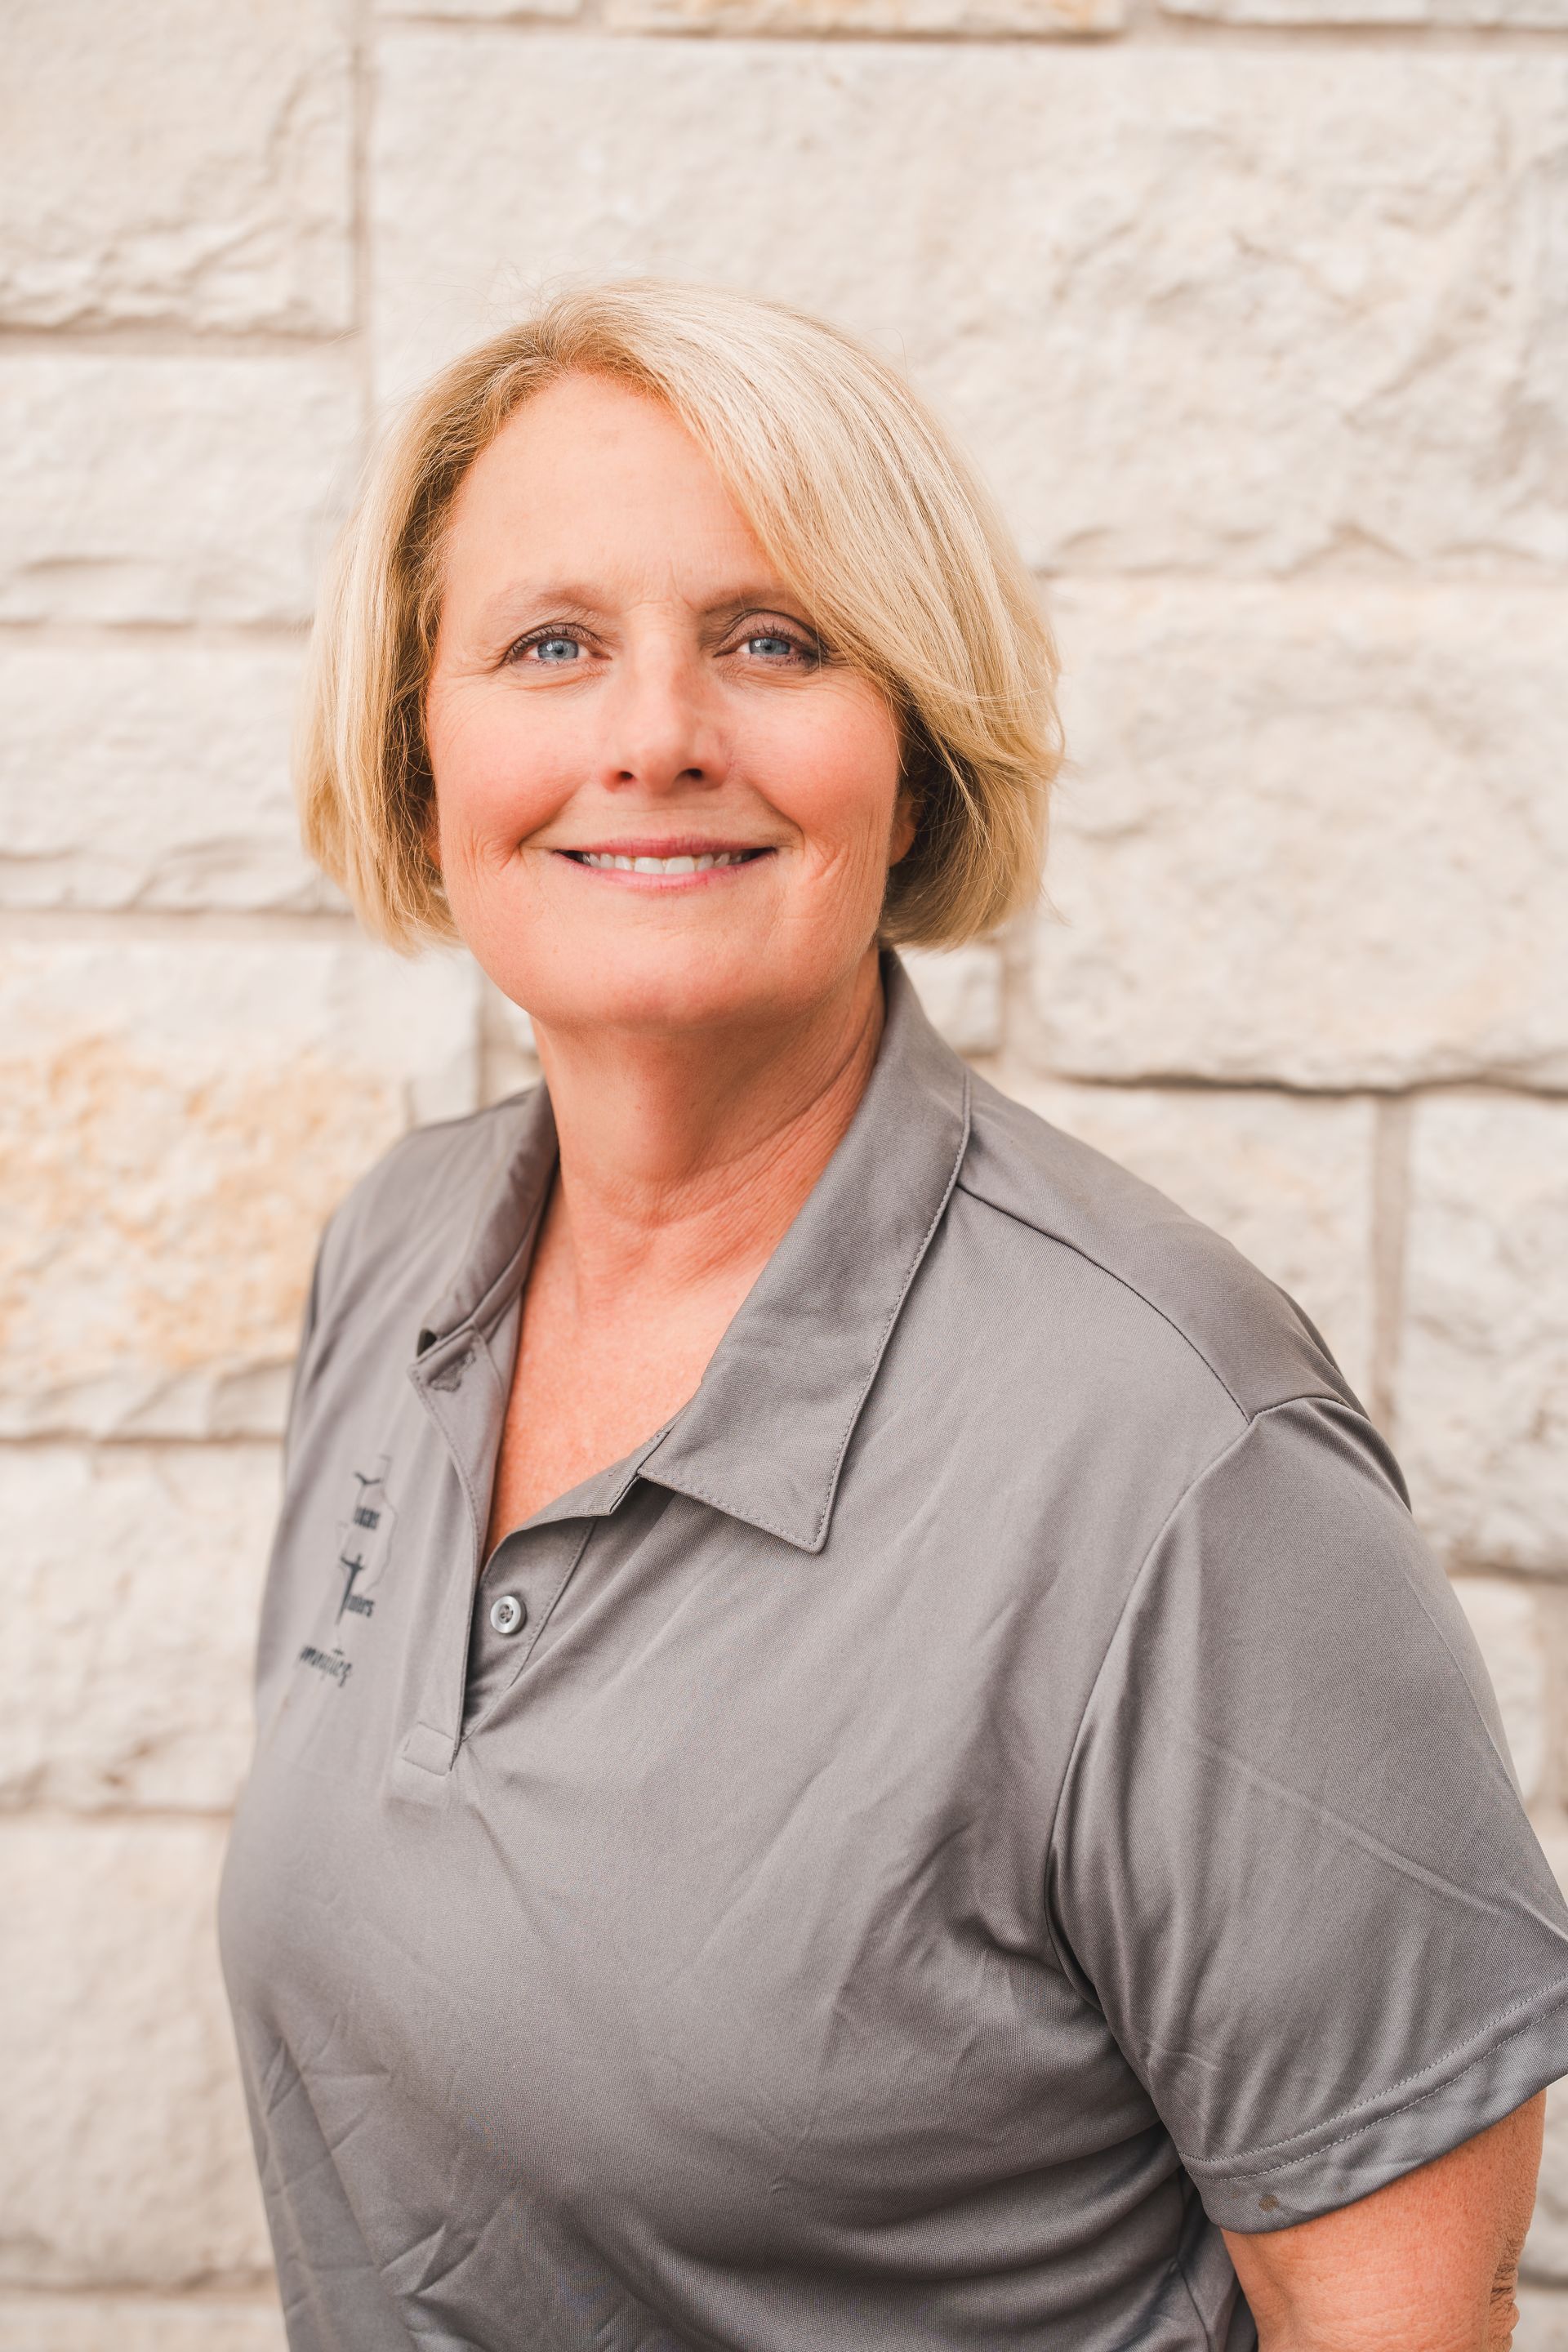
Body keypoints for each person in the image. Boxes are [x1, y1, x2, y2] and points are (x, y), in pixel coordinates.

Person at [220, 280, 1567, 2352]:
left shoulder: (1184, 1460)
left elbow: (1392, 2315)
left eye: (773, 641)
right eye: (551, 644)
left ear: (915, 759)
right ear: (419, 754)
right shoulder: (400, 1262)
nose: (655, 734)